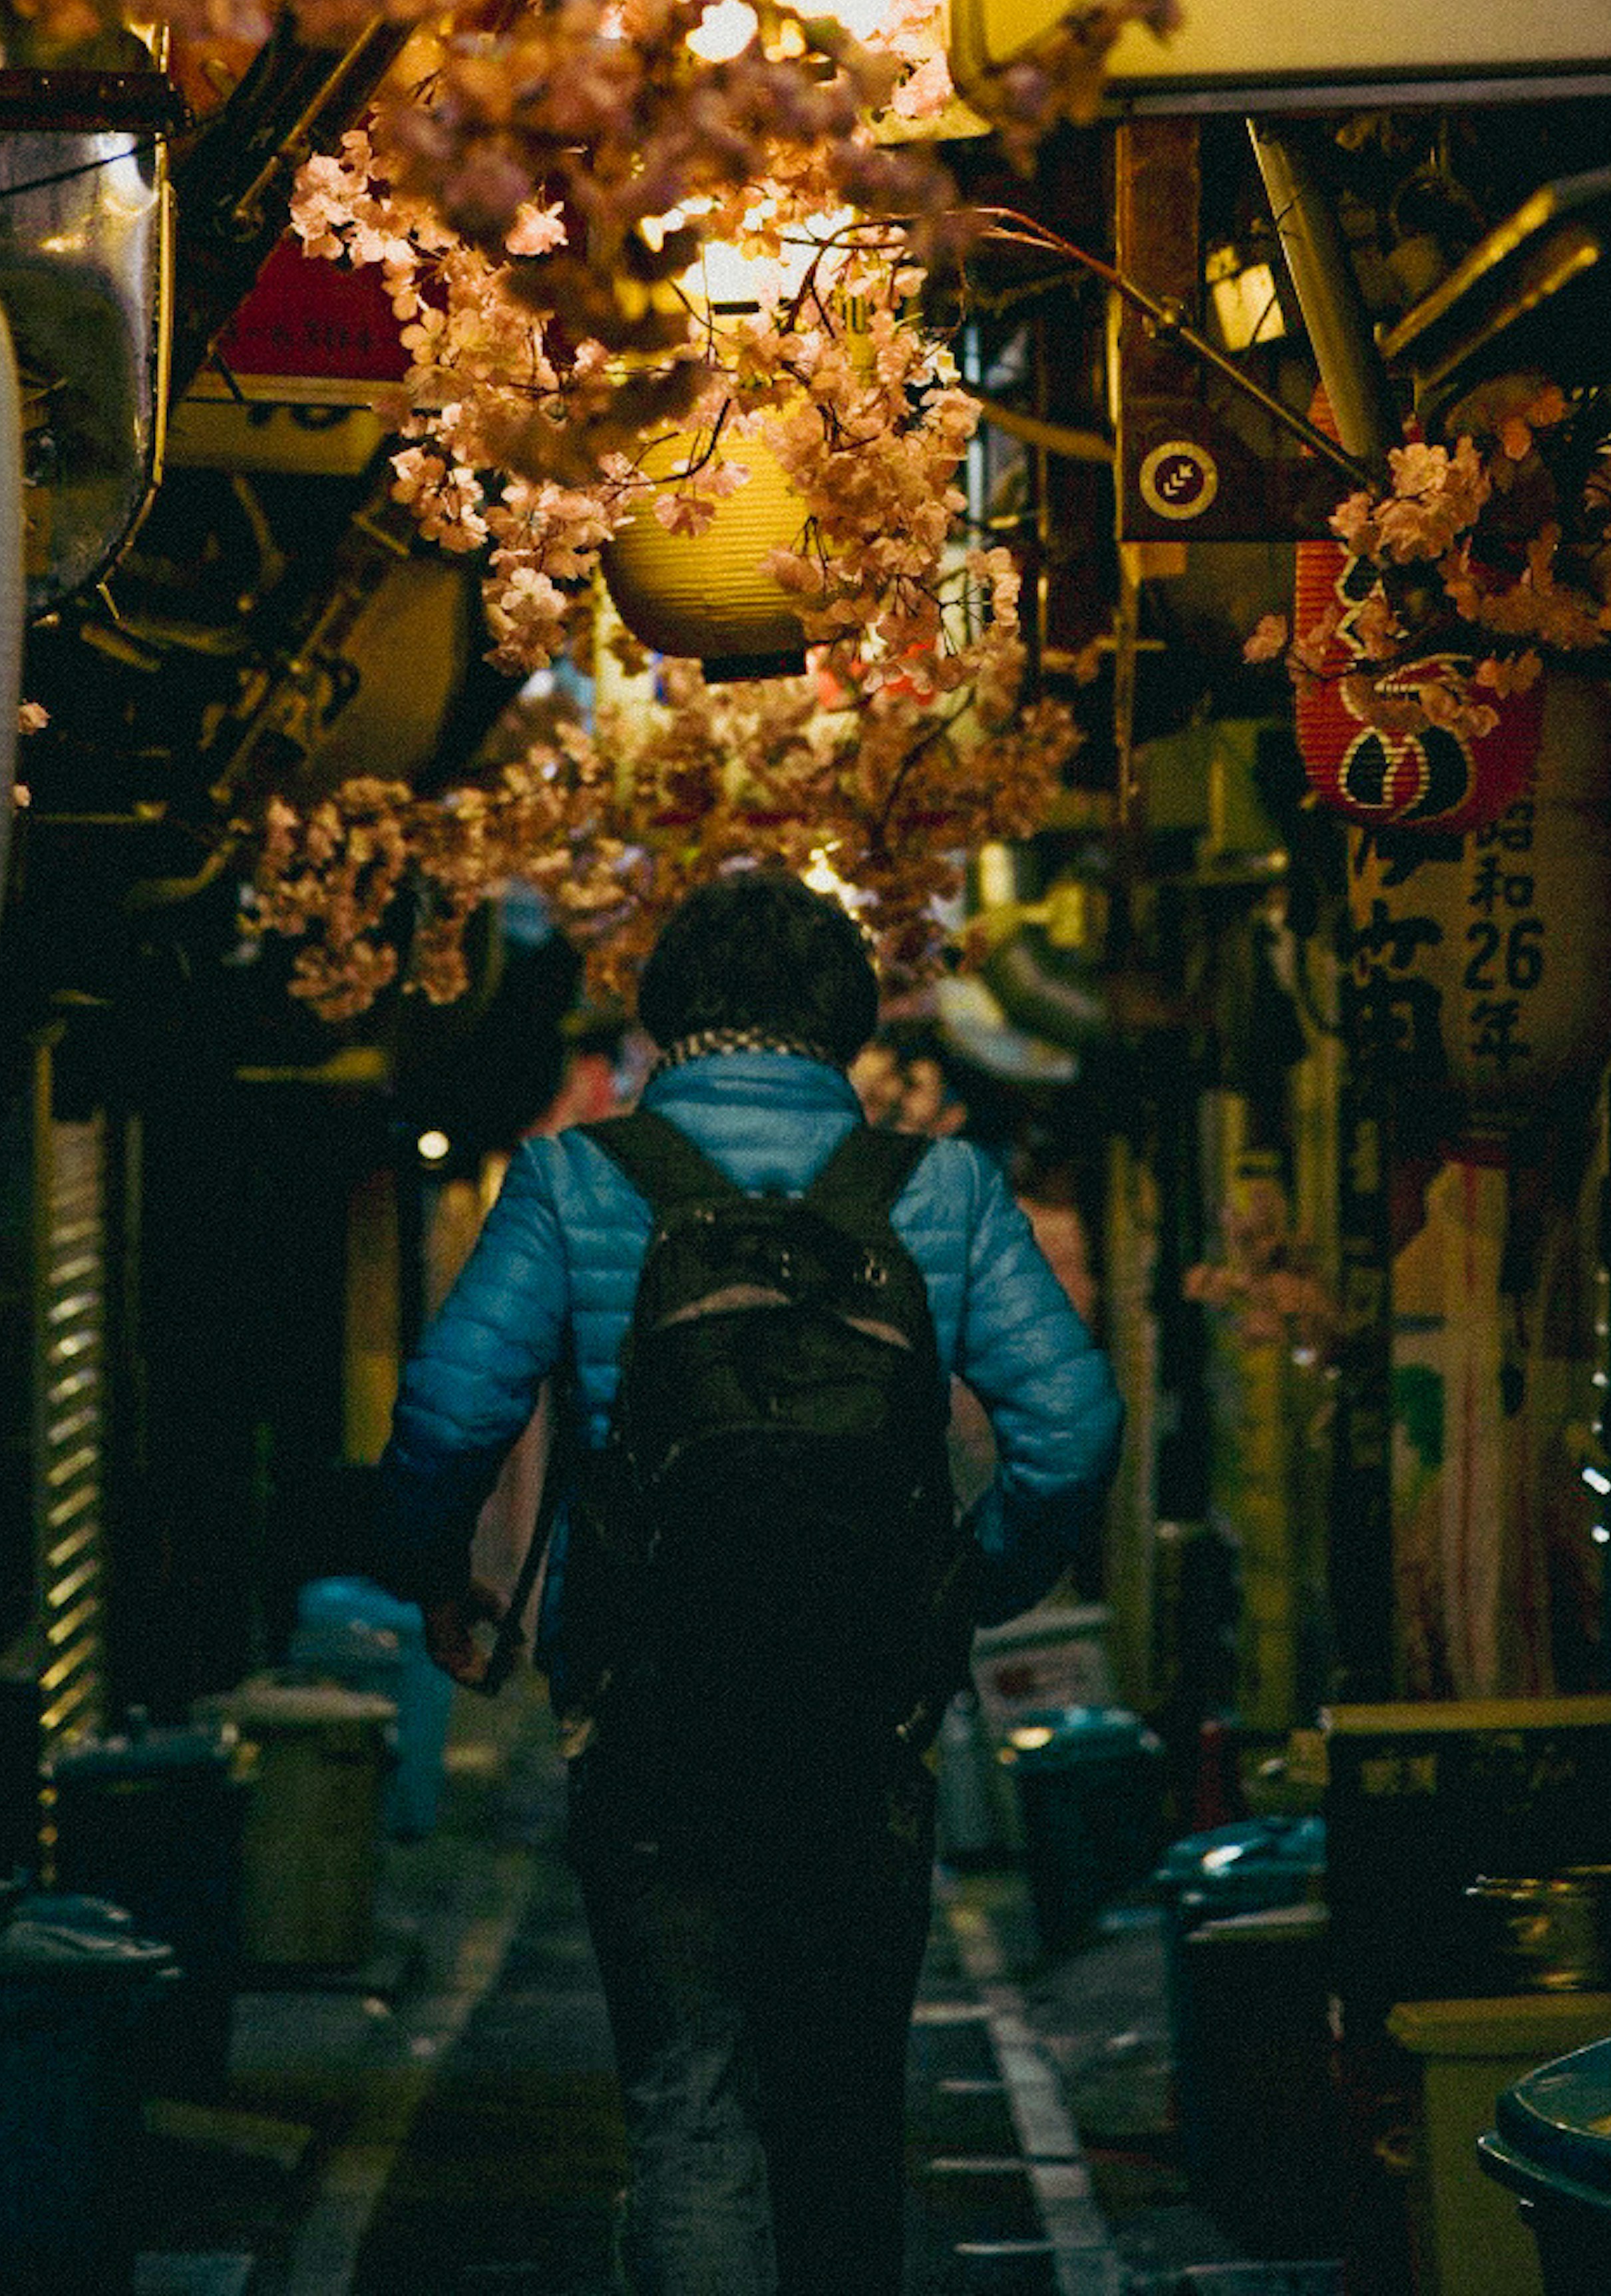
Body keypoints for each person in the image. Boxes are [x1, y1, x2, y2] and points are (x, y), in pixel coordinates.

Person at [377, 864, 1123, 2296]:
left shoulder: (573, 1178)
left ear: (665, 1017)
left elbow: (451, 1412)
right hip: (868, 1716)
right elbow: (1074, 1428)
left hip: (652, 1708)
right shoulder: (943, 1190)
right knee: (844, 2103)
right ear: (844, 1021)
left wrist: (441, 1579)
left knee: (690, 2100)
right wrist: (973, 1587)